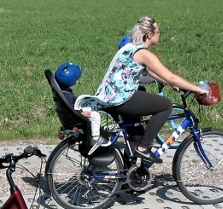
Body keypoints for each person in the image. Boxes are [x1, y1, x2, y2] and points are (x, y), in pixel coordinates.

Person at [80, 16, 209, 163]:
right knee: (165, 105)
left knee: (136, 136)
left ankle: (130, 180)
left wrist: (168, 83)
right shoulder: (143, 53)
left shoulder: (129, 47)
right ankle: (144, 149)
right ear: (149, 34)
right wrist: (198, 89)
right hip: (120, 99)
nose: (160, 35)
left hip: (108, 98)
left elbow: (149, 71)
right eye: (158, 32)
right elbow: (171, 76)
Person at [54, 62, 109, 150]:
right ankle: (96, 138)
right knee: (95, 116)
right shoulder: (67, 96)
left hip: (72, 114)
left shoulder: (62, 92)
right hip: (75, 116)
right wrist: (80, 113)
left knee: (92, 107)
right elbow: (70, 110)